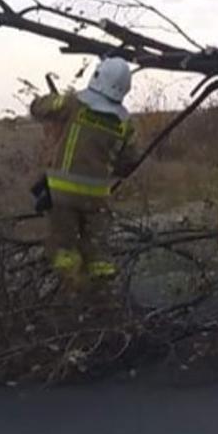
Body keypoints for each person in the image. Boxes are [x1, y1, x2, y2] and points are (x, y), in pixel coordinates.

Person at [30, 58, 141, 284]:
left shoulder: (74, 104)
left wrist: (48, 101)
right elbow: (127, 163)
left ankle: (71, 296)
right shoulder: (125, 122)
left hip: (62, 196)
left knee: (64, 252)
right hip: (97, 200)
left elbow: (39, 108)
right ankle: (101, 299)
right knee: (99, 257)